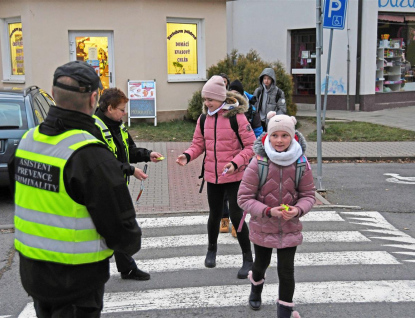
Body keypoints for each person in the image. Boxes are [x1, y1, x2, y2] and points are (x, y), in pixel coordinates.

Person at [10, 61, 142, 317]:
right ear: (94, 98)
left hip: (33, 274)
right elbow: (122, 230)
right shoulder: (90, 155)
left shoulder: (27, 141)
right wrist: (129, 244)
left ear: (53, 93)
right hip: (75, 282)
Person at [176, 75, 256, 278]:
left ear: (221, 98)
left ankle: (248, 258)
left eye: (210, 99)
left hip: (235, 176)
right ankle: (211, 249)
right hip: (213, 177)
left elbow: (251, 147)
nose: (206, 103)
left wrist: (236, 163)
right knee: (215, 214)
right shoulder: (204, 119)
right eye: (205, 99)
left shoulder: (237, 117)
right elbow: (198, 144)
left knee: (237, 217)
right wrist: (187, 155)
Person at [237, 112, 315, 317]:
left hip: (290, 227)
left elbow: (309, 195)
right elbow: (243, 198)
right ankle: (256, 287)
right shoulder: (258, 162)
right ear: (268, 136)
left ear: (293, 137)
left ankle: (285, 313)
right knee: (261, 265)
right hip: (263, 226)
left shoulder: (301, 163)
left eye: (284, 135)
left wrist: (298, 209)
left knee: (286, 272)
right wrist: (268, 211)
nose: (279, 140)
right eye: (275, 135)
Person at [94, 87, 163, 281]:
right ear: (109, 108)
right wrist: (131, 170)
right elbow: (103, 163)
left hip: (117, 185)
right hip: (102, 188)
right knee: (115, 228)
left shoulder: (117, 124)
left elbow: (129, 150)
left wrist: (147, 155)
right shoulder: (94, 128)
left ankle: (126, 268)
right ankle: (119, 268)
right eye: (122, 109)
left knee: (118, 228)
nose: (124, 113)